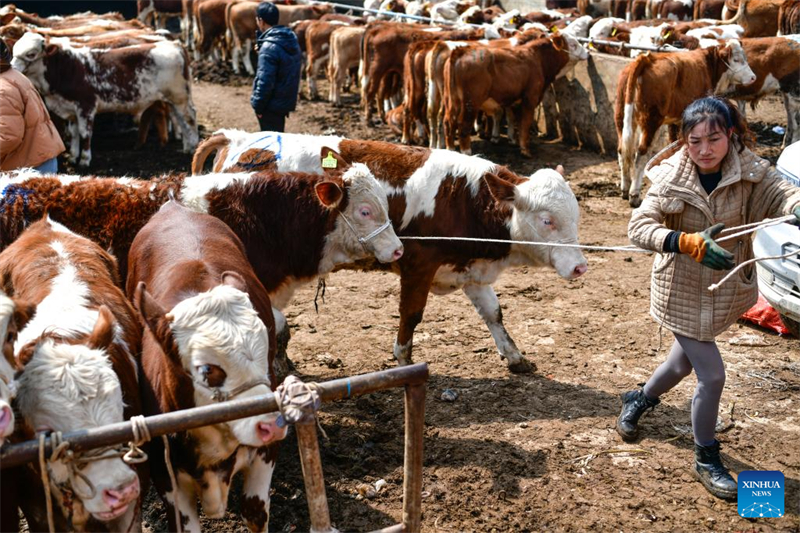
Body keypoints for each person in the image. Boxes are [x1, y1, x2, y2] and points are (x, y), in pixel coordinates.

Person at [620, 96, 800, 500]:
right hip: (680, 291)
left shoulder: (752, 171)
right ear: (684, 140)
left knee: (680, 364)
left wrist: (798, 204)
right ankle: (706, 457)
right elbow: (639, 226)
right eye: (695, 140)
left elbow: (782, 194)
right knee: (712, 375)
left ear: (730, 135)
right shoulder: (671, 178)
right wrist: (682, 241)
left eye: (713, 139)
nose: (704, 150)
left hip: (721, 293)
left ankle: (640, 398)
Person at [0, 37, 64, 173]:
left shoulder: (2, 89)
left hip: (28, 169)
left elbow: (8, 136)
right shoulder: (12, 75)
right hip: (36, 159)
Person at [250, 1, 302, 133]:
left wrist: (258, 106)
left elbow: (265, 80)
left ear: (261, 21)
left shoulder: (268, 47)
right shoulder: (290, 40)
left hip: (270, 106)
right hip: (284, 102)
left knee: (269, 144)